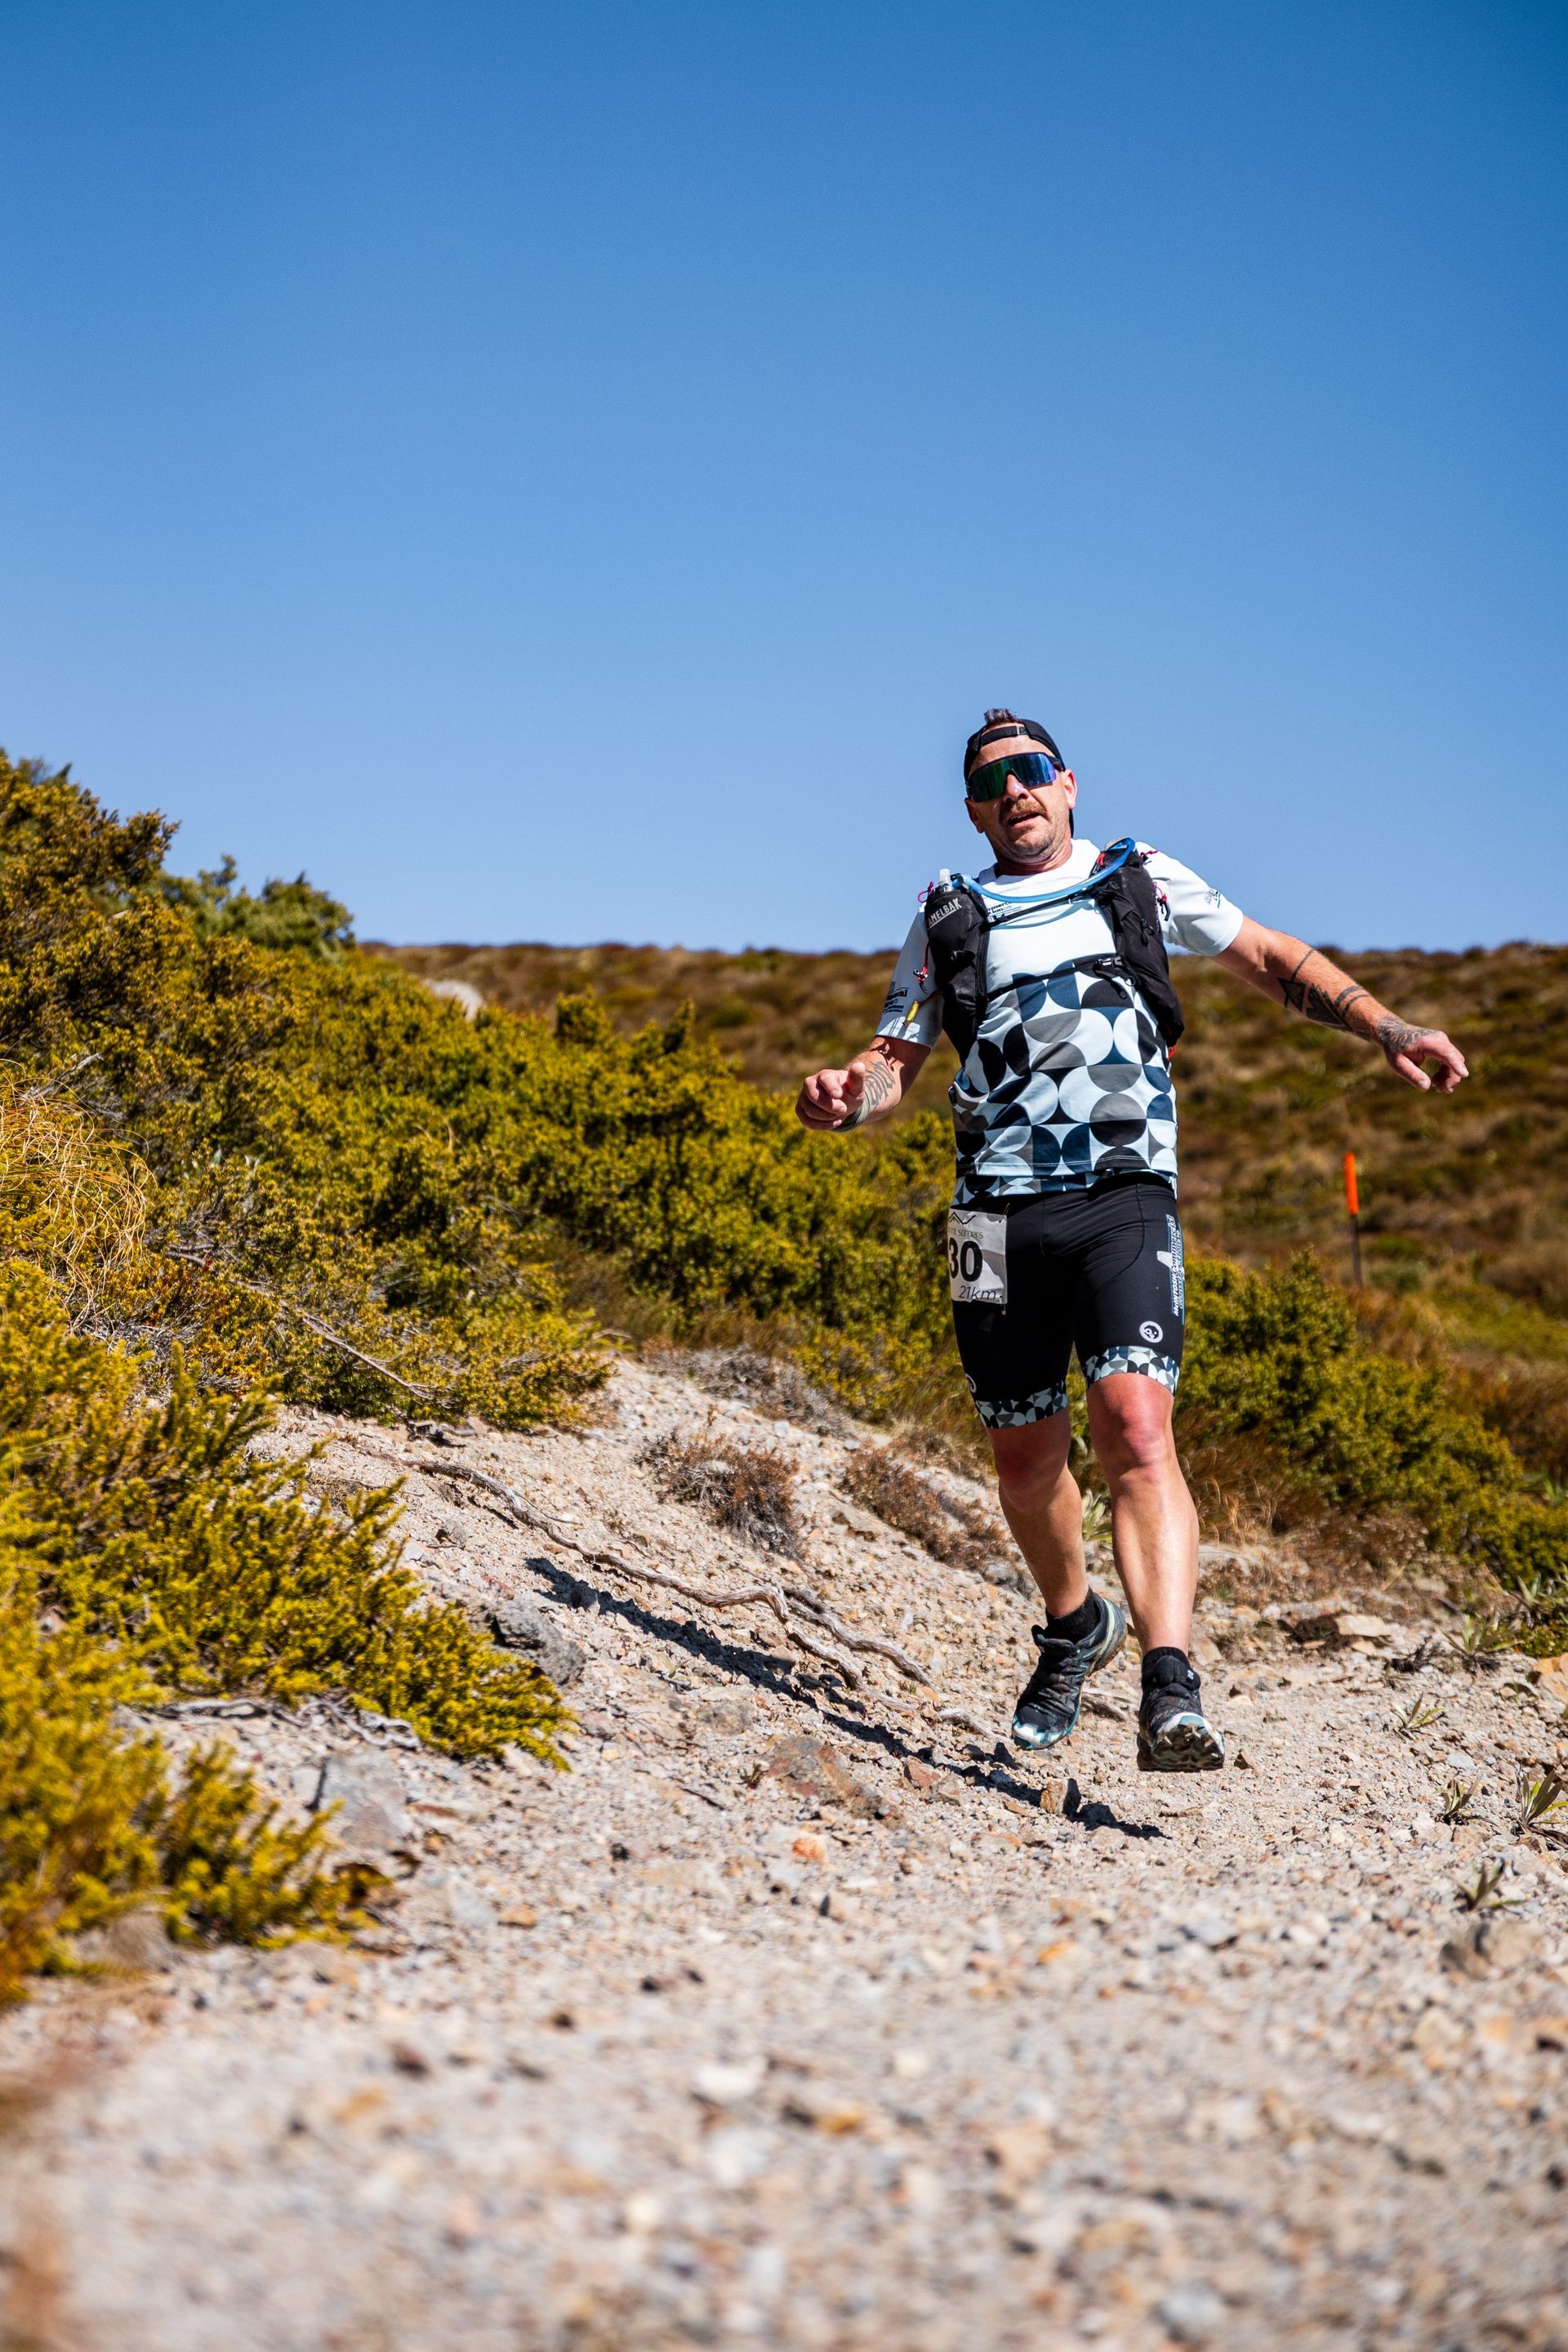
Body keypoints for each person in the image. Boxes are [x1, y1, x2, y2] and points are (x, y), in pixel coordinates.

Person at [795, 710, 1467, 1771]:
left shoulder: (1135, 876)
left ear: (1067, 783)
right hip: (990, 1214)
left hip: (1122, 1193)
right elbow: (898, 1052)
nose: (1014, 791)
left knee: (1135, 1424)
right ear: (973, 810)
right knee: (1025, 1460)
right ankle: (1074, 1626)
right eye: (990, 782)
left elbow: (1269, 955)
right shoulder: (947, 913)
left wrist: (1388, 1027)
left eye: (1029, 771)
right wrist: (850, 1096)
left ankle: (1171, 1684)